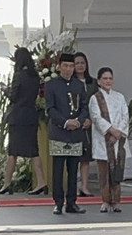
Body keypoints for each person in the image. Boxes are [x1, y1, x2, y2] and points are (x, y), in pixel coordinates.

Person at [0, 47, 48, 195]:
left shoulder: (19, 76)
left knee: (12, 151)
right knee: (33, 151)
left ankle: (7, 183)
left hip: (18, 117)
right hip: (31, 116)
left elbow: (14, 96)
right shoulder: (35, 76)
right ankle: (41, 182)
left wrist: (5, 89)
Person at [45, 53, 88, 215]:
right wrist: (65, 122)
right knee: (58, 170)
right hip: (59, 132)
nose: (69, 69)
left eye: (71, 66)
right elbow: (50, 109)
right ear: (59, 67)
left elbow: (84, 106)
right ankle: (58, 202)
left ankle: (72, 202)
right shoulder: (51, 85)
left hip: (75, 133)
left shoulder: (79, 85)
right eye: (66, 66)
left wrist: (79, 120)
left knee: (73, 169)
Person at [89, 67, 131, 213]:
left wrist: (118, 132)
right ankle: (105, 201)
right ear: (99, 81)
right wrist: (111, 130)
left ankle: (116, 201)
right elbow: (96, 117)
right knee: (104, 173)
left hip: (118, 141)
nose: (108, 81)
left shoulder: (120, 97)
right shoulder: (95, 98)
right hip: (103, 140)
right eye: (105, 78)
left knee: (117, 170)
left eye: (110, 78)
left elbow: (125, 115)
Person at [73, 52, 99, 197]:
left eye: (82, 62)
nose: (80, 66)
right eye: (77, 63)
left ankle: (84, 186)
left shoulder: (93, 83)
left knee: (85, 158)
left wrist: (90, 119)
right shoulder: (70, 83)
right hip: (74, 123)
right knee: (74, 157)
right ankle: (73, 186)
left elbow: (96, 104)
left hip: (88, 125)